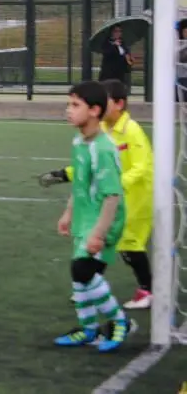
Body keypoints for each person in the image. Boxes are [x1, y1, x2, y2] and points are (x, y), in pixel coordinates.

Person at [38, 78, 154, 310]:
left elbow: (141, 167)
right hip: (111, 196)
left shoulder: (131, 130)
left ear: (118, 104)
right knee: (101, 243)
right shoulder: (98, 132)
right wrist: (65, 174)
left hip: (135, 198)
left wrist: (114, 185)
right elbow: (90, 168)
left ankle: (147, 290)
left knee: (129, 245)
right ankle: (87, 284)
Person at [53, 80, 131, 352]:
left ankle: (120, 321)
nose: (68, 110)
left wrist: (99, 232)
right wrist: (68, 213)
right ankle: (89, 331)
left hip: (105, 219)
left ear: (95, 110)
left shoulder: (104, 148)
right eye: (68, 104)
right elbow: (80, 184)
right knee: (80, 277)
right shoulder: (79, 141)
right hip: (86, 218)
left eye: (75, 105)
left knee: (83, 270)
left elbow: (112, 196)